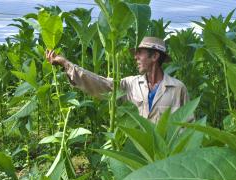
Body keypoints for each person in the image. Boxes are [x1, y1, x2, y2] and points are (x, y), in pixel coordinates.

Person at [46, 36, 189, 123]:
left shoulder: (177, 88)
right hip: (138, 152)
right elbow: (100, 83)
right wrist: (66, 64)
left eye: (140, 53)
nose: (135, 57)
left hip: (166, 157)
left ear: (155, 56)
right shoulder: (131, 84)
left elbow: (187, 125)